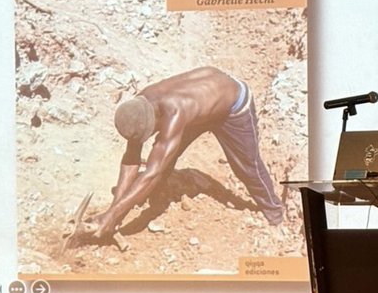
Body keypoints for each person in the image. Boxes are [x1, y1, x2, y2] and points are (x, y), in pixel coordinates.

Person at [85, 66, 284, 239]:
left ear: (154, 123)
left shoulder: (174, 114)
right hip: (200, 104)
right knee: (165, 156)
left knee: (247, 167)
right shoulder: (139, 106)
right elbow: (131, 157)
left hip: (233, 105)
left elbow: (153, 171)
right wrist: (113, 210)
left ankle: (275, 213)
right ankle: (158, 196)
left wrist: (113, 217)